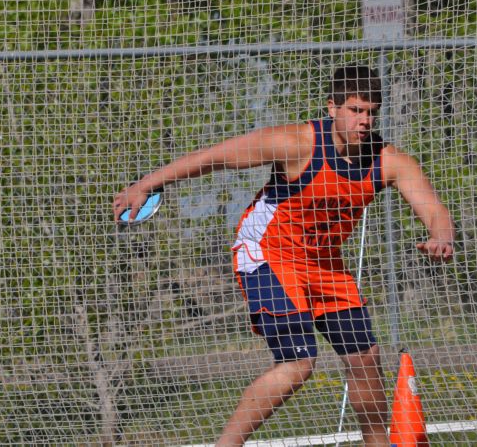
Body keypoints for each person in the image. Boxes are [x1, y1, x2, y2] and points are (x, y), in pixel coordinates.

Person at [112, 65, 455, 446]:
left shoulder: (390, 162)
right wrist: (145, 185)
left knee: (365, 360)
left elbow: (435, 210)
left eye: (371, 111)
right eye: (355, 110)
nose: (364, 120)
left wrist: (441, 236)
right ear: (333, 108)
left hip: (324, 265)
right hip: (268, 254)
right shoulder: (296, 144)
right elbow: (215, 157)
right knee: (298, 364)